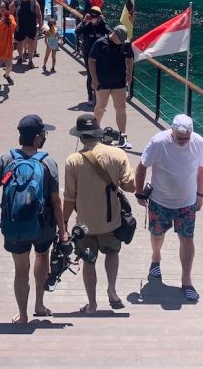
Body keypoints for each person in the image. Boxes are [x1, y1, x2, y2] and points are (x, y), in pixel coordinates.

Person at [0, 115, 66, 324]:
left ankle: (23, 315)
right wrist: (62, 231)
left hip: (15, 224)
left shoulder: (7, 159)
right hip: (43, 225)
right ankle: (39, 304)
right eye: (43, 134)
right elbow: (56, 201)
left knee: (21, 269)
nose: (45, 137)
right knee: (41, 257)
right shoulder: (48, 162)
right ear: (37, 138)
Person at [63, 113, 136, 313]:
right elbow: (131, 186)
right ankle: (112, 291)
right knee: (112, 253)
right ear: (98, 133)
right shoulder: (118, 154)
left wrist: (64, 223)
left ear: (80, 137)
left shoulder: (72, 161)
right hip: (110, 220)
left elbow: (69, 198)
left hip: (85, 223)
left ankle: (92, 304)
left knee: (88, 260)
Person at [135, 114, 203, 303]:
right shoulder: (158, 142)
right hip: (160, 200)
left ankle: (186, 279)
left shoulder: (198, 142)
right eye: (180, 138)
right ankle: (156, 257)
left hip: (187, 202)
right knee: (157, 234)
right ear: (172, 132)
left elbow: (202, 169)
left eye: (186, 137)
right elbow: (142, 166)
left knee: (187, 239)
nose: (184, 141)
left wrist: (200, 195)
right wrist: (139, 192)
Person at [89, 24, 134, 148]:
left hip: (119, 82)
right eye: (120, 39)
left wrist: (129, 74)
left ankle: (123, 136)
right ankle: (96, 134)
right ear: (114, 34)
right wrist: (94, 79)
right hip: (102, 82)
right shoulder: (100, 43)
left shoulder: (125, 44)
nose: (121, 43)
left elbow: (130, 58)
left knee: (121, 108)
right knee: (100, 107)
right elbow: (92, 61)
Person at [75, 7, 109, 104]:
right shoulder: (87, 25)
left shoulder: (102, 25)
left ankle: (99, 95)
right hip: (89, 54)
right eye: (92, 16)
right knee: (90, 75)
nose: (93, 18)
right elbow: (77, 31)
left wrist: (104, 21)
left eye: (96, 16)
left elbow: (110, 33)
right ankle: (90, 96)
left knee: (100, 75)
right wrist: (84, 21)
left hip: (101, 54)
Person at [13, 0, 42, 68]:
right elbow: (10, 12)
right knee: (20, 42)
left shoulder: (34, 2)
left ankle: (30, 60)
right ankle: (20, 57)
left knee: (31, 42)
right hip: (20, 25)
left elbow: (39, 14)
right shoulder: (17, 1)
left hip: (31, 25)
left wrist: (40, 24)